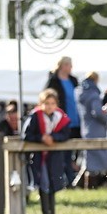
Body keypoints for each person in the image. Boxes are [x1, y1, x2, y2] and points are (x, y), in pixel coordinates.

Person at [23, 88, 71, 214]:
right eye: (46, 103)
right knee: (44, 183)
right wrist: (41, 138)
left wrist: (54, 138)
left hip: (54, 157)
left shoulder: (61, 118)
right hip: (39, 157)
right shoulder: (34, 117)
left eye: (52, 103)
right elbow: (26, 135)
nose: (49, 106)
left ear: (56, 104)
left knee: (53, 183)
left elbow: (66, 134)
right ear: (41, 104)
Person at [44, 57, 82, 186]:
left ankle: (72, 179)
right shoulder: (53, 81)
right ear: (60, 65)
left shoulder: (74, 80)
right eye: (66, 64)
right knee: (63, 153)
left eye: (70, 65)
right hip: (61, 121)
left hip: (75, 120)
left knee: (75, 151)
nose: (69, 67)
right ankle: (66, 180)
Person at [77, 73, 107, 189]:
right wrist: (105, 113)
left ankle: (83, 186)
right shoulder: (93, 94)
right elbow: (97, 112)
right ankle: (91, 186)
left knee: (88, 160)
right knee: (99, 161)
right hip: (96, 130)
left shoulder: (81, 92)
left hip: (86, 129)